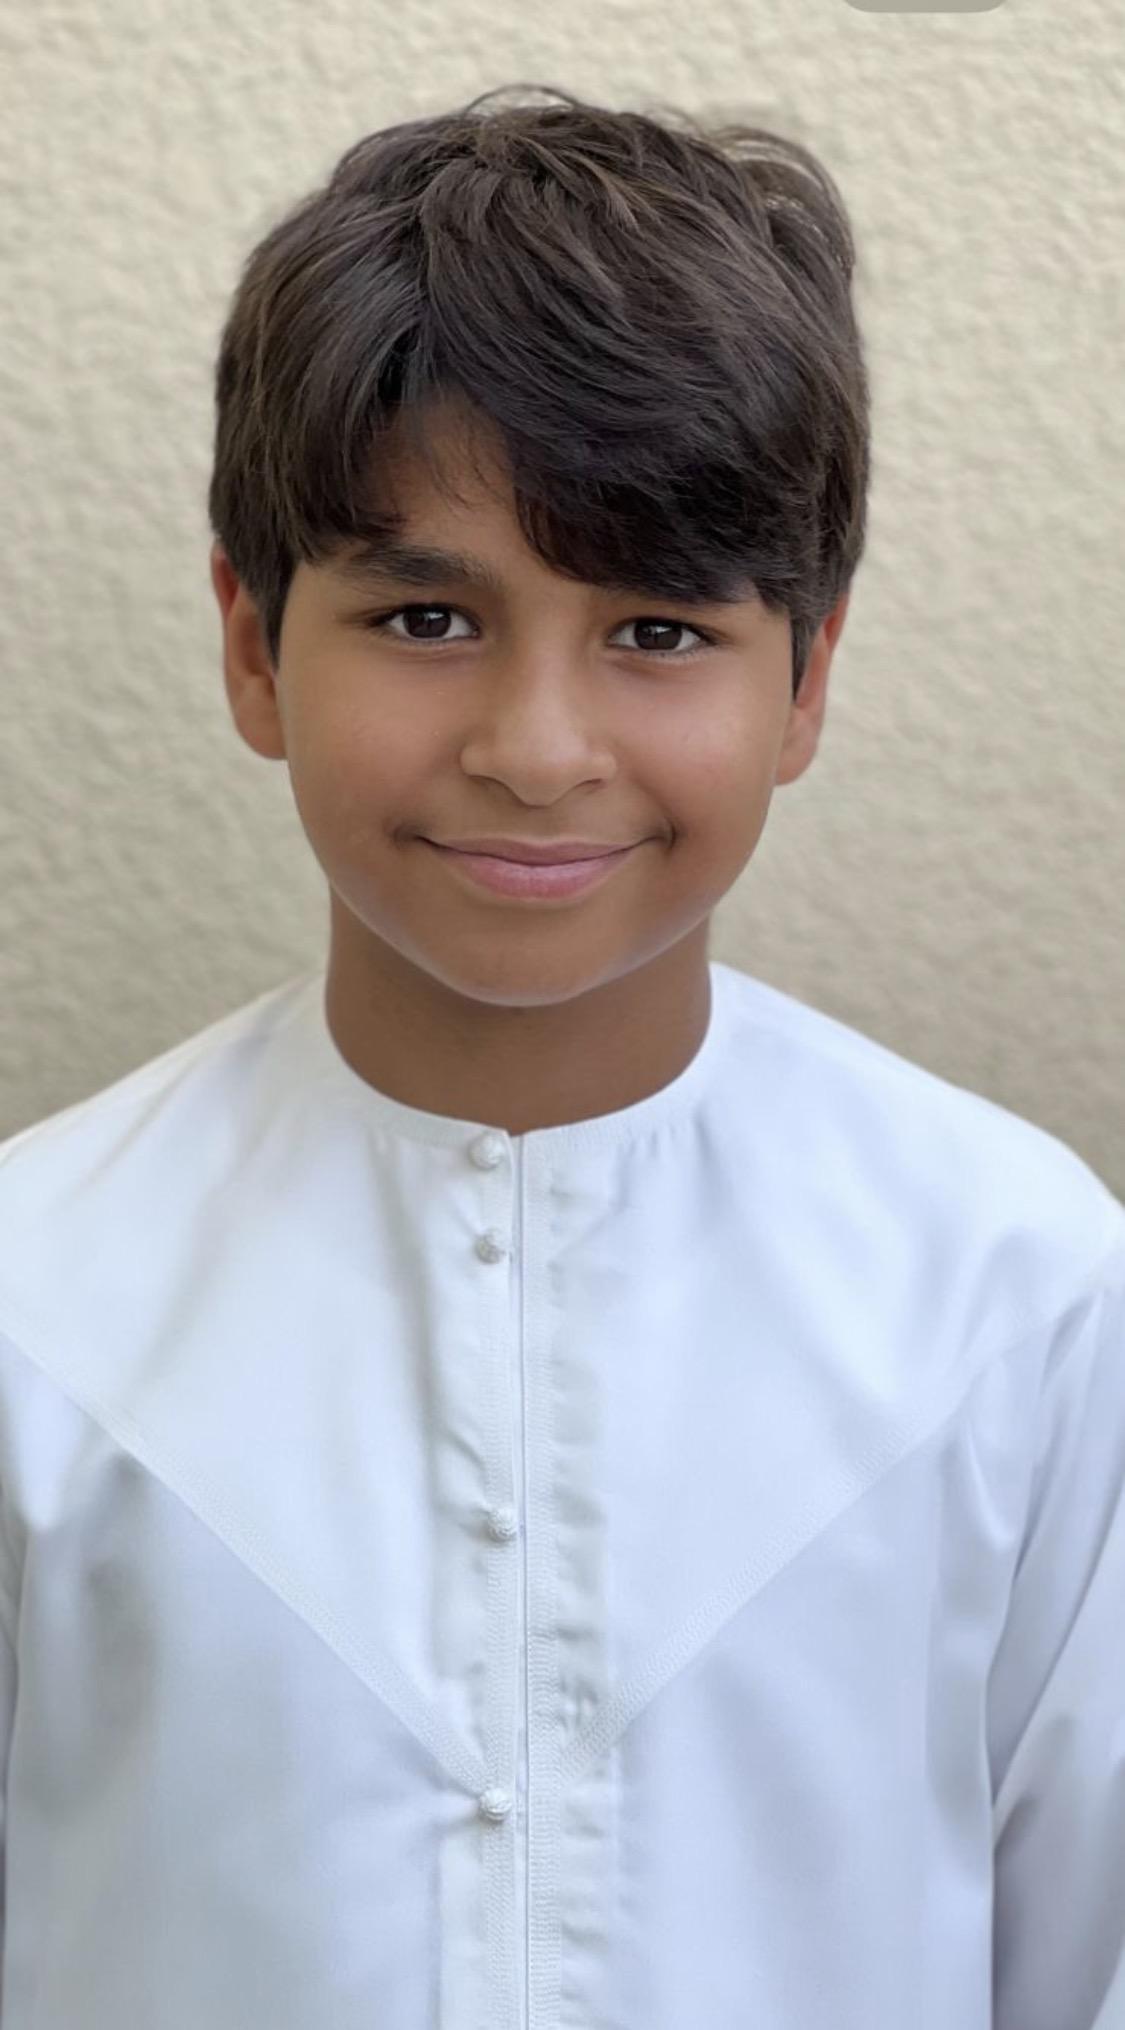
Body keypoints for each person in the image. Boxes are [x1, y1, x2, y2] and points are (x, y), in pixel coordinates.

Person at [0, 81, 1122, 2030]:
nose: (535, 747)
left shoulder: (1014, 1291)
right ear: (254, 646)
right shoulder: (39, 1293)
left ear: (806, 677)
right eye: (428, 613)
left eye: (658, 629)